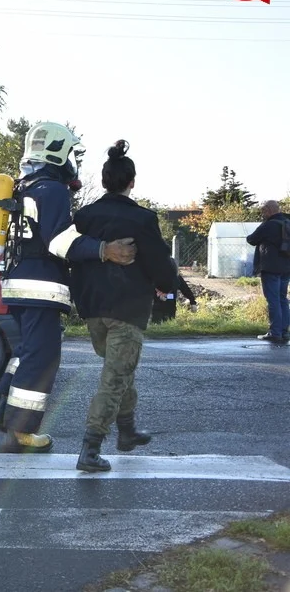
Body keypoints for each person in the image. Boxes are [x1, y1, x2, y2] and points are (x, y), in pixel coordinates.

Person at [0, 122, 138, 453]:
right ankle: (22, 433)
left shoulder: (23, 186)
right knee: (42, 359)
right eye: (71, 152)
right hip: (41, 288)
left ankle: (5, 408)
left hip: (17, 284)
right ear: (58, 152)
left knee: (29, 351)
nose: (74, 160)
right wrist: (104, 250)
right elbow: (59, 241)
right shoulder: (52, 190)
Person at [64, 140, 177, 473]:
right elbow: (160, 265)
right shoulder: (142, 219)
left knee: (119, 369)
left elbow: (73, 251)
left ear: (104, 181)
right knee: (114, 377)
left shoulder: (84, 217)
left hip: (92, 308)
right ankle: (90, 449)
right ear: (132, 182)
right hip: (127, 309)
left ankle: (126, 431)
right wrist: (167, 286)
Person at [246, 200, 290, 343]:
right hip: (287, 267)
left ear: (269, 210)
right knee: (283, 299)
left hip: (271, 268)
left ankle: (274, 332)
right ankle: (284, 332)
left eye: (263, 211)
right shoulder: (287, 222)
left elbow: (251, 239)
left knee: (273, 300)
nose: (263, 214)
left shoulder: (268, 225)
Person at [150, 258, 198, 324]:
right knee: (155, 320)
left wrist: (193, 302)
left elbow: (186, 290)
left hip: (170, 305)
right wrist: (158, 297)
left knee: (169, 321)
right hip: (155, 306)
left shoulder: (177, 279)